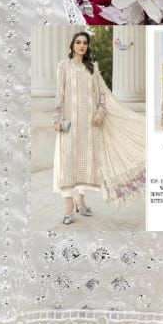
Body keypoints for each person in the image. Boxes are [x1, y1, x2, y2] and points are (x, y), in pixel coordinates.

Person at [53, 31, 145, 223]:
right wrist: (57, 119)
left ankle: (81, 201)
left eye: (84, 43)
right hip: (69, 124)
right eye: (78, 42)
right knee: (67, 164)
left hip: (90, 125)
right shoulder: (64, 66)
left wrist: (101, 111)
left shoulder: (92, 68)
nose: (81, 45)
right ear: (72, 45)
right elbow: (59, 95)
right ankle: (68, 209)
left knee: (84, 164)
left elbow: (102, 94)